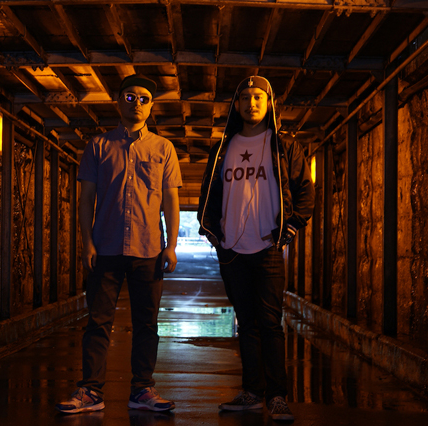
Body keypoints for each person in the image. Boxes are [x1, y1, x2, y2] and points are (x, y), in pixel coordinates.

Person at [57, 74, 181, 414]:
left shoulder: (163, 148)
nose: (136, 103)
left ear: (151, 106)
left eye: (143, 98)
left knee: (147, 324)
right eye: (129, 97)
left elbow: (170, 200)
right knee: (98, 321)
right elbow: (86, 199)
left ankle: (142, 389)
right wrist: (87, 243)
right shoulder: (98, 146)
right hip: (106, 247)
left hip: (148, 248)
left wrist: (171, 245)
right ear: (118, 102)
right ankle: (91, 391)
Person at [197, 75, 314, 422]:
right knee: (246, 323)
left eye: (258, 97)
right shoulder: (223, 149)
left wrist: (290, 227)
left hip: (267, 248)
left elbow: (305, 191)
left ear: (269, 103)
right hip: (232, 249)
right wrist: (212, 233)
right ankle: (251, 391)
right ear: (237, 105)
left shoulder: (283, 146)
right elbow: (209, 192)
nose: (251, 103)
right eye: (245, 97)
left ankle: (277, 396)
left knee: (270, 323)